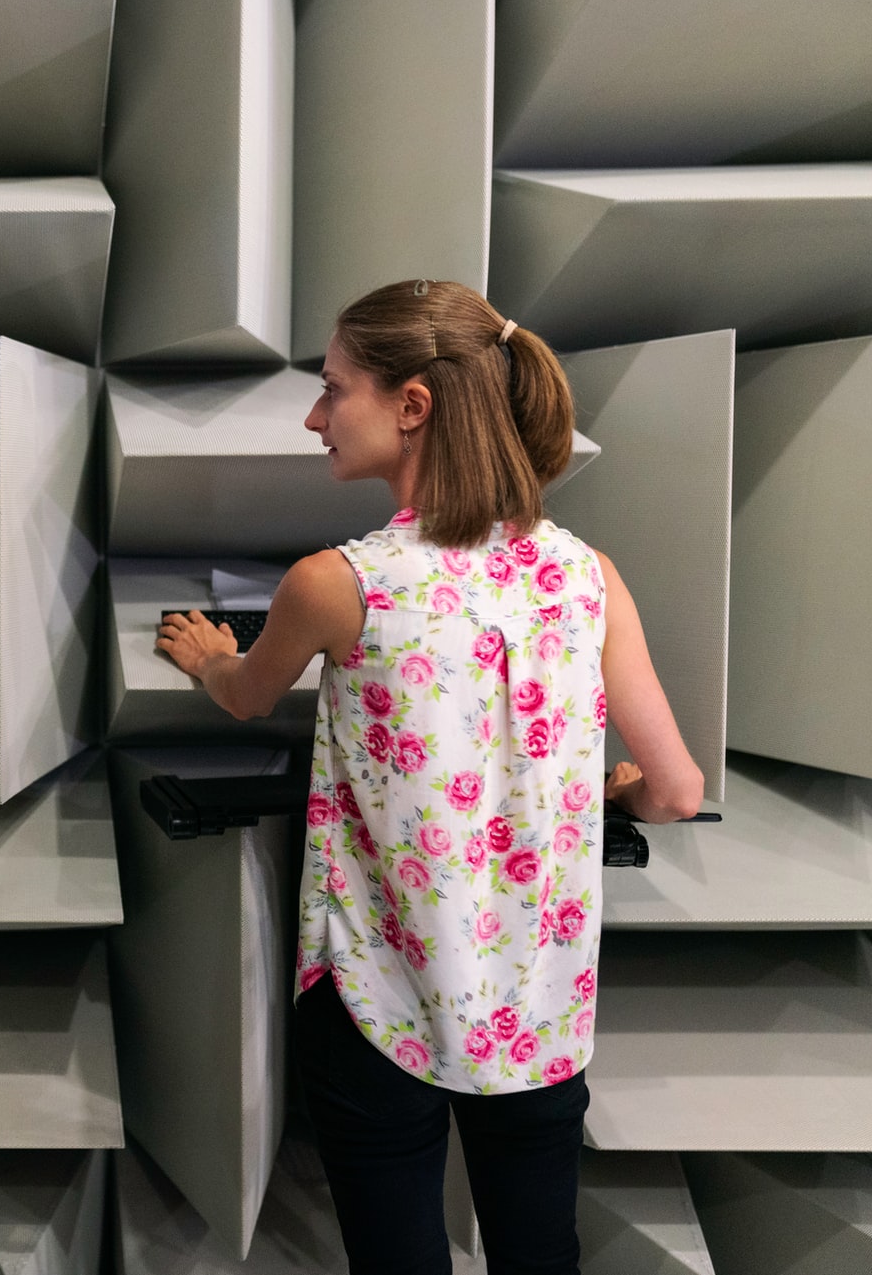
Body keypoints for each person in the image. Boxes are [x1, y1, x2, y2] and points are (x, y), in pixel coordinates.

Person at [156, 279, 703, 1275]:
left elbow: (244, 695)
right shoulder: (588, 577)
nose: (317, 417)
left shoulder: (337, 583)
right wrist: (609, 793)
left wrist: (202, 657)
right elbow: (676, 790)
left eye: (334, 390)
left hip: (377, 1005)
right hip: (536, 1007)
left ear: (413, 406)